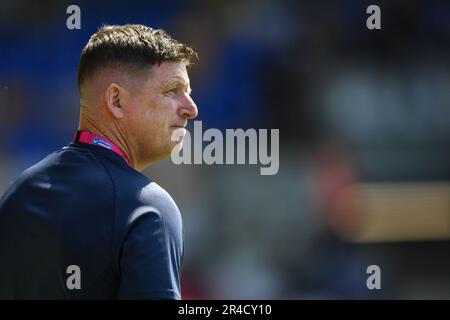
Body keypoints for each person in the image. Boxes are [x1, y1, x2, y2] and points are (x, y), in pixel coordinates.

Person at [0, 24, 198, 299]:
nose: (191, 108)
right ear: (116, 100)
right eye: (171, 91)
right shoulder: (146, 210)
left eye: (188, 91)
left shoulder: (19, 194)